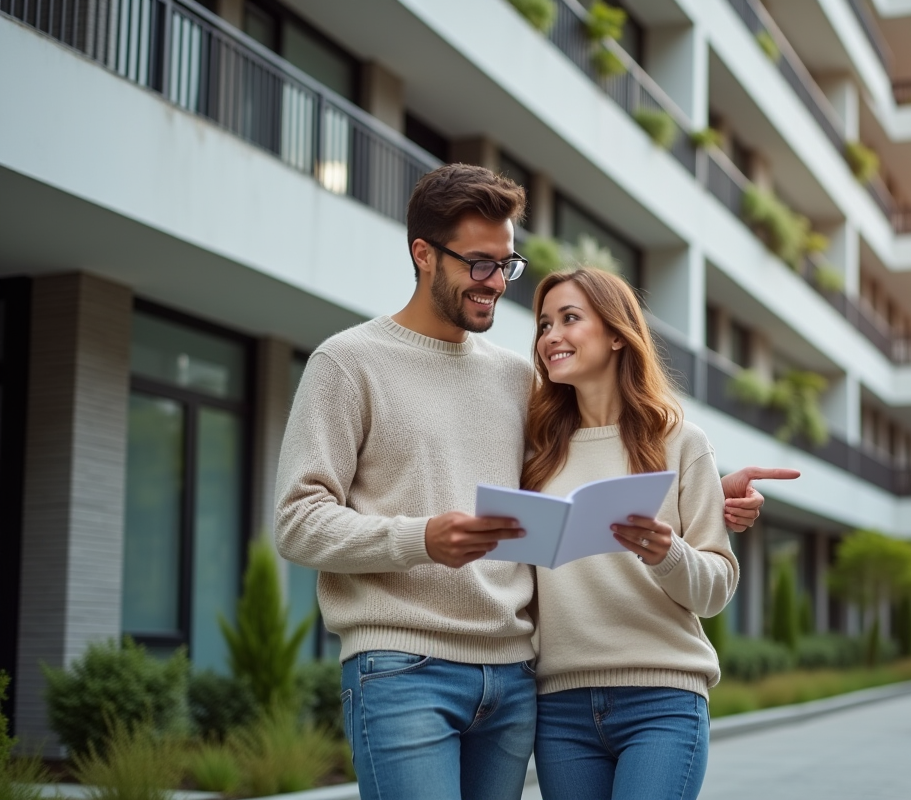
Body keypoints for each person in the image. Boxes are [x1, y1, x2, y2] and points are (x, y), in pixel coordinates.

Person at [274, 163, 795, 800]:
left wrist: (708, 488)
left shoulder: (520, 386)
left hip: (515, 679)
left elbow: (600, 462)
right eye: (480, 264)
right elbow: (297, 522)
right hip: (403, 667)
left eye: (506, 264)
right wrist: (422, 539)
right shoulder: (347, 362)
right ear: (424, 255)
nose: (496, 284)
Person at [525, 268, 736, 800]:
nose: (552, 336)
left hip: (662, 699)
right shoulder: (536, 454)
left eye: (570, 319)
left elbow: (715, 588)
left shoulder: (682, 442)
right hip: (560, 706)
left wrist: (669, 554)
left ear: (617, 333)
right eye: (544, 324)